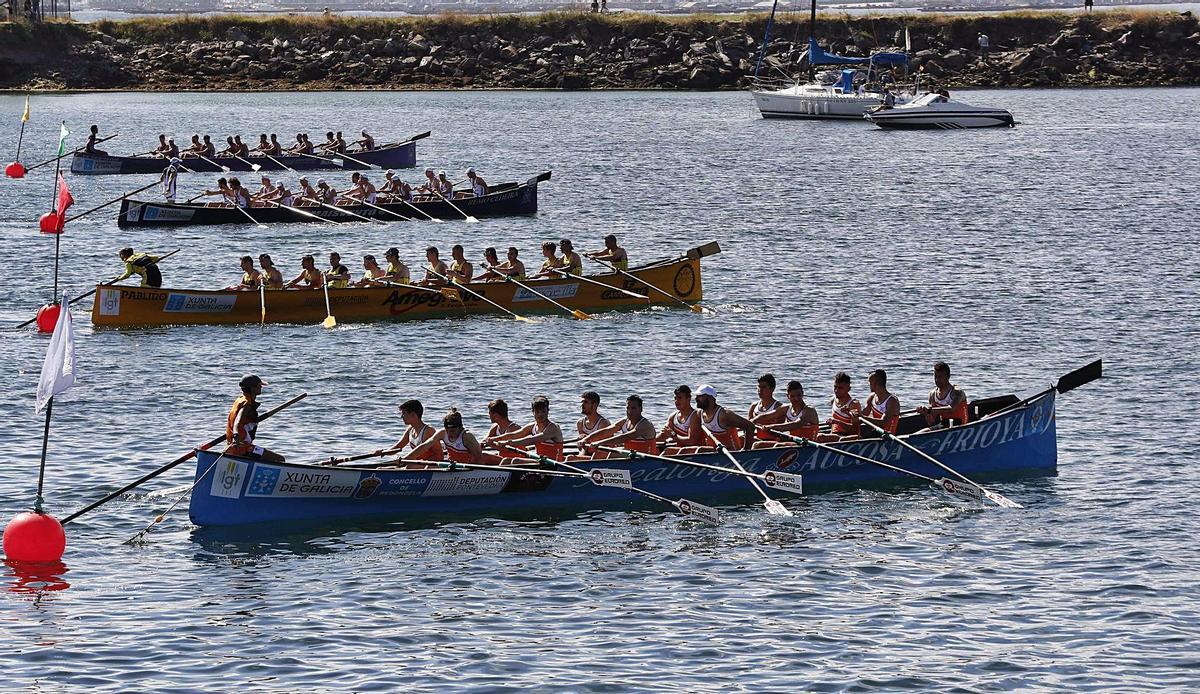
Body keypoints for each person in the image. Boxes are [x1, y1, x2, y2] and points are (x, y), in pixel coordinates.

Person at [225, 374, 285, 462]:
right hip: (244, 448)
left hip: (234, 446)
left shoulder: (240, 400)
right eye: (259, 386)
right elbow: (238, 422)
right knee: (280, 459)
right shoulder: (247, 405)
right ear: (252, 388)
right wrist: (236, 434)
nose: (261, 387)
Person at [489, 396, 565, 461]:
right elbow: (513, 435)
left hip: (554, 464)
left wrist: (507, 443)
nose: (540, 414)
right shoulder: (532, 426)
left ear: (548, 411)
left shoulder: (553, 428)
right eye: (537, 412)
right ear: (533, 412)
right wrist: (494, 439)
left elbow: (531, 440)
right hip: (541, 461)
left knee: (516, 461)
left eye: (543, 411)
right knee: (507, 461)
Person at [582, 395, 658, 455]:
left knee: (604, 454)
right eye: (628, 408)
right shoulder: (624, 421)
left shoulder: (645, 424)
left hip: (646, 459)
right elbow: (607, 431)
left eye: (633, 408)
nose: (630, 411)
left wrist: (599, 443)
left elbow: (625, 437)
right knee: (599, 452)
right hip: (631, 455)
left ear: (641, 409)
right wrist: (586, 439)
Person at [408, 409, 484, 467]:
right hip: (454, 464)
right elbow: (424, 446)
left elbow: (480, 459)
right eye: (447, 430)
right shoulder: (442, 433)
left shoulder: (467, 437)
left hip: (466, 466)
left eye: (452, 431)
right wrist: (406, 459)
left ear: (460, 427)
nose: (449, 434)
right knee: (420, 466)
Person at [757, 380, 821, 444]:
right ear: (788, 396)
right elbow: (766, 416)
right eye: (792, 396)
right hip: (793, 442)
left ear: (802, 393)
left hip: (807, 445)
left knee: (778, 446)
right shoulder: (786, 408)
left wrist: (771, 427)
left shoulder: (809, 410)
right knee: (757, 444)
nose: (796, 399)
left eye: (798, 395)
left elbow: (795, 424)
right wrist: (751, 422)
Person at [694, 384, 755, 451]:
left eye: (700, 396)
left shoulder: (724, 415)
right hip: (714, 451)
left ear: (710, 398)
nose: (696, 399)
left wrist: (745, 451)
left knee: (700, 450)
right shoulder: (700, 413)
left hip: (731, 453)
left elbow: (750, 426)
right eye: (696, 396)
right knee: (689, 450)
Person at [917, 361, 969, 430]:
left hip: (961, 425)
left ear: (948, 377)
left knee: (925, 431)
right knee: (924, 431)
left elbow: (951, 409)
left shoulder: (957, 392)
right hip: (944, 424)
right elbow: (931, 422)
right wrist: (926, 413)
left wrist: (930, 410)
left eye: (940, 377)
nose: (937, 380)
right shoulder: (932, 394)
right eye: (935, 377)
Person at [657, 384, 706, 451]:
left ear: (688, 399)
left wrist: (673, 435)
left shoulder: (695, 416)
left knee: (667, 451)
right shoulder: (673, 416)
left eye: (680, 398)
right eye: (675, 398)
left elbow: (692, 441)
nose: (676, 401)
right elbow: (662, 436)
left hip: (694, 451)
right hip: (679, 449)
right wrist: (648, 442)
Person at [817, 371, 861, 442]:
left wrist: (837, 422)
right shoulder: (833, 400)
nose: (836, 390)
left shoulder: (853, 404)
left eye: (840, 388)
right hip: (835, 434)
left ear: (848, 389)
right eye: (835, 387)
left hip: (846, 437)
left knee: (820, 437)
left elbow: (854, 431)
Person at [859, 369, 901, 435]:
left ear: (877, 383)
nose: (868, 385)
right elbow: (864, 413)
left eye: (870, 382)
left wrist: (862, 417)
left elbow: (884, 423)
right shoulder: (871, 397)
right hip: (876, 433)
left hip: (887, 437)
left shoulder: (892, 401)